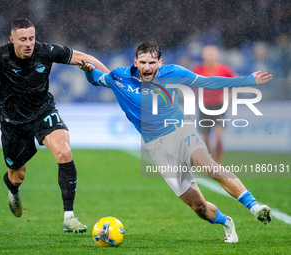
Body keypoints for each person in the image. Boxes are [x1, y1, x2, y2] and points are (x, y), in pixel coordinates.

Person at [79, 41, 272, 243]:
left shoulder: (173, 73)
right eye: (143, 62)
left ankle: (254, 207)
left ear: (160, 63)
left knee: (208, 166)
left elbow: (208, 82)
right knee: (198, 206)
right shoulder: (119, 76)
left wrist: (248, 80)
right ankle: (227, 222)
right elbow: (97, 79)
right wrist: (87, 71)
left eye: (152, 62)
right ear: (135, 62)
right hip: (156, 147)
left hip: (180, 131)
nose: (147, 67)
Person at [0, 18, 109, 233]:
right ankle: (13, 190)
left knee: (64, 152)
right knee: (18, 175)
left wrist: (110, 78)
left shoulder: (47, 51)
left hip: (43, 112)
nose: (28, 44)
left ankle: (69, 217)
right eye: (23, 39)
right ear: (12, 40)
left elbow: (85, 57)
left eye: (31, 39)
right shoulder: (0, 54)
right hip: (12, 122)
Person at [193, 45, 236, 163]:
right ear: (203, 56)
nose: (210, 56)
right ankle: (210, 158)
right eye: (207, 54)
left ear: (217, 55)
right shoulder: (198, 70)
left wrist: (229, 96)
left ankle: (217, 160)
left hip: (219, 106)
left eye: (212, 54)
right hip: (203, 106)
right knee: (206, 136)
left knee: (218, 135)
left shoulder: (224, 70)